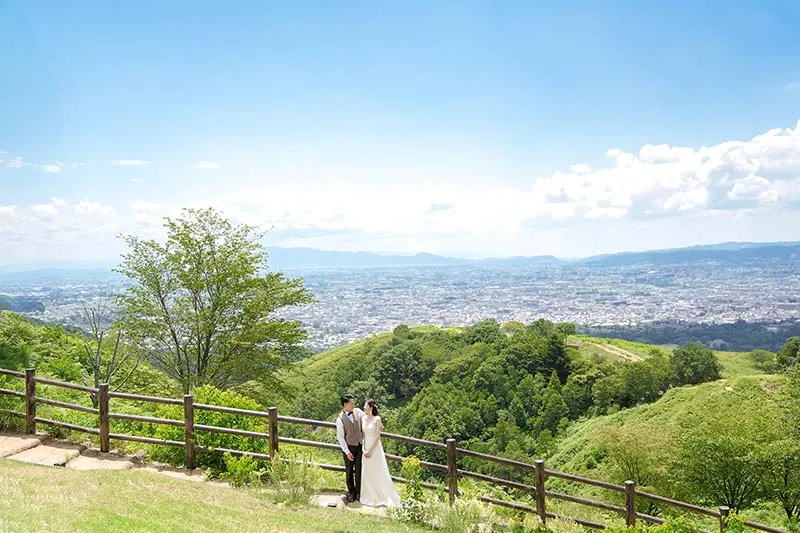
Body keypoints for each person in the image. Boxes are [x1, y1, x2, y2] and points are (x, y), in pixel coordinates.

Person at [359, 399, 402, 508]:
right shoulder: (363, 418)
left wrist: (370, 450)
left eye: (366, 407)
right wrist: (364, 449)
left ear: (371, 407)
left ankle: (379, 495)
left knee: (376, 470)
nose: (364, 408)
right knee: (367, 472)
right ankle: (367, 495)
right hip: (366, 446)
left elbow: (377, 436)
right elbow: (363, 435)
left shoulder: (377, 419)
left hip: (375, 448)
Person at [335, 393, 363, 503]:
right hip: (349, 446)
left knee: (359, 469)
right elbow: (340, 437)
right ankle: (351, 492)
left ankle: (360, 492)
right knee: (349, 470)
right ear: (345, 404)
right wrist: (347, 452)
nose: (354, 404)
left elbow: (367, 417)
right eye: (351, 403)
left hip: (360, 445)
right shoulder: (340, 419)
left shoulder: (358, 412)